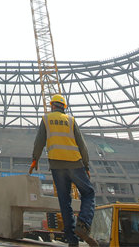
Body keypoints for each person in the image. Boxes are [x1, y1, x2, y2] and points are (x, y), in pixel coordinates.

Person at [30, 94, 96, 247]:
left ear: (52, 105)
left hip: (56, 165)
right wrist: (86, 166)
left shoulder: (46, 119)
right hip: (75, 163)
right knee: (88, 193)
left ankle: (72, 240)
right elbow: (82, 146)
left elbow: (39, 142)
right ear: (64, 107)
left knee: (64, 201)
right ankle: (83, 224)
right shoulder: (71, 120)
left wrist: (35, 160)